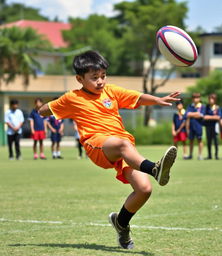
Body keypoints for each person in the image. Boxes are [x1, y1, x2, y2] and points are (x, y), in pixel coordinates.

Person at [39, 50, 180, 249]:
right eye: (94, 77)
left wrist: (156, 100)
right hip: (97, 144)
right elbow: (43, 111)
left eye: (103, 76)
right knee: (123, 144)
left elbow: (137, 98)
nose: (100, 81)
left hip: (122, 146)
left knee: (144, 190)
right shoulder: (72, 98)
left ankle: (121, 223)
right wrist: (51, 107)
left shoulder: (111, 91)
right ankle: (154, 169)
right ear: (79, 79)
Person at [185, 93, 206, 160]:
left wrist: (192, 114)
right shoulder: (190, 106)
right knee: (191, 140)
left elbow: (201, 115)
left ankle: (200, 155)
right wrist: (196, 114)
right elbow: (187, 114)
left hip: (199, 126)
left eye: (197, 97)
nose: (195, 99)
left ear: (199, 98)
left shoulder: (202, 106)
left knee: (199, 140)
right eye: (194, 98)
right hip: (191, 126)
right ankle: (190, 155)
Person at [203, 94, 221, 160]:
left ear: (215, 100)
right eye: (210, 99)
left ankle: (216, 155)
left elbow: (218, 117)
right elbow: (204, 117)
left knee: (216, 141)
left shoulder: (217, 107)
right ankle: (209, 155)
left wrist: (210, 117)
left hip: (215, 127)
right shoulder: (206, 107)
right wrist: (214, 117)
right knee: (209, 141)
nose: (211, 100)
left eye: (212, 99)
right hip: (208, 126)